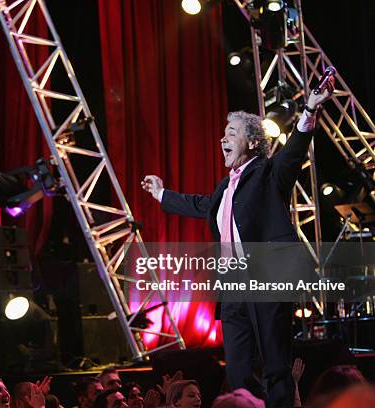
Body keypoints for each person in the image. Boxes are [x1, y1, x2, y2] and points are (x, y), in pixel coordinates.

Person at [142, 79, 334, 407]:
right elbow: (201, 205)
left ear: (254, 142)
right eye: (224, 133)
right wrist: (162, 194)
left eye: (231, 132)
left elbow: (292, 154)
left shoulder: (268, 174)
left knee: (275, 366)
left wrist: (310, 109)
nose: (223, 138)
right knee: (239, 369)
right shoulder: (224, 188)